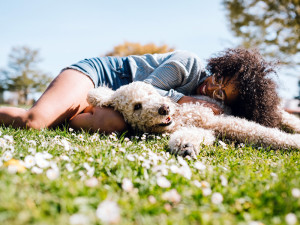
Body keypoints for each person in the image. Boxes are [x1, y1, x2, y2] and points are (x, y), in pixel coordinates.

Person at [0, 48, 280, 133]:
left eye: (220, 93)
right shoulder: (188, 63)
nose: (211, 87)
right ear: (220, 66)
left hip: (115, 102)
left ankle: (68, 112)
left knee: (113, 123)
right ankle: (59, 110)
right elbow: (148, 90)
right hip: (99, 75)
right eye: (219, 77)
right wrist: (185, 99)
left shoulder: (211, 106)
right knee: (33, 122)